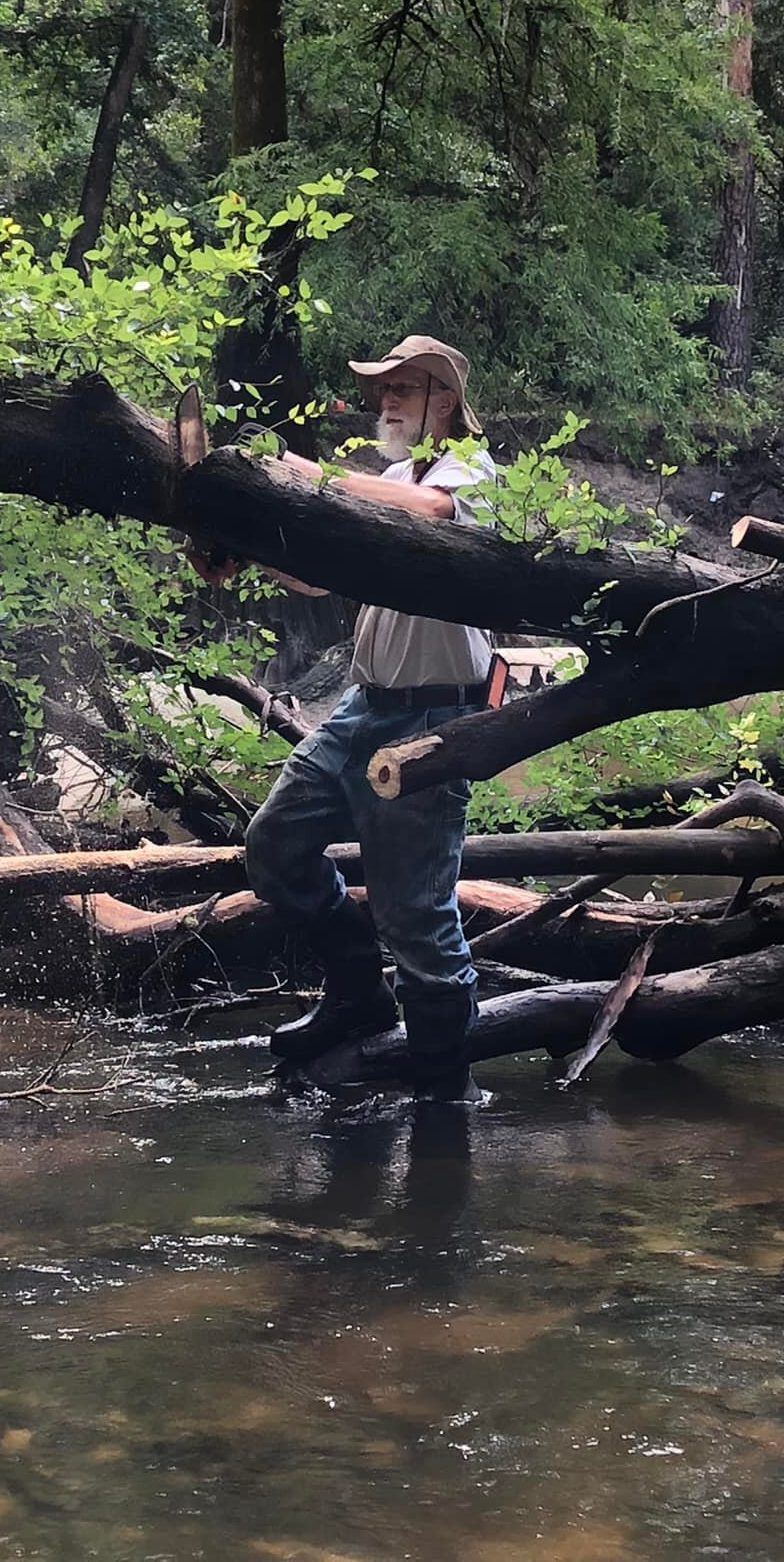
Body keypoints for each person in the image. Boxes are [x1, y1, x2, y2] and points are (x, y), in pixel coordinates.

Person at [241, 334, 496, 1105]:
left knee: (417, 914)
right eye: (382, 388)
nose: (384, 400)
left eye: (402, 389)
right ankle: (358, 997)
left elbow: (427, 512)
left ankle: (447, 1096)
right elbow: (319, 578)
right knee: (274, 847)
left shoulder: (472, 474)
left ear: (443, 403)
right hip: (362, 708)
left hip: (433, 720)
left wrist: (316, 478)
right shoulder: (390, 475)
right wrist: (244, 544)